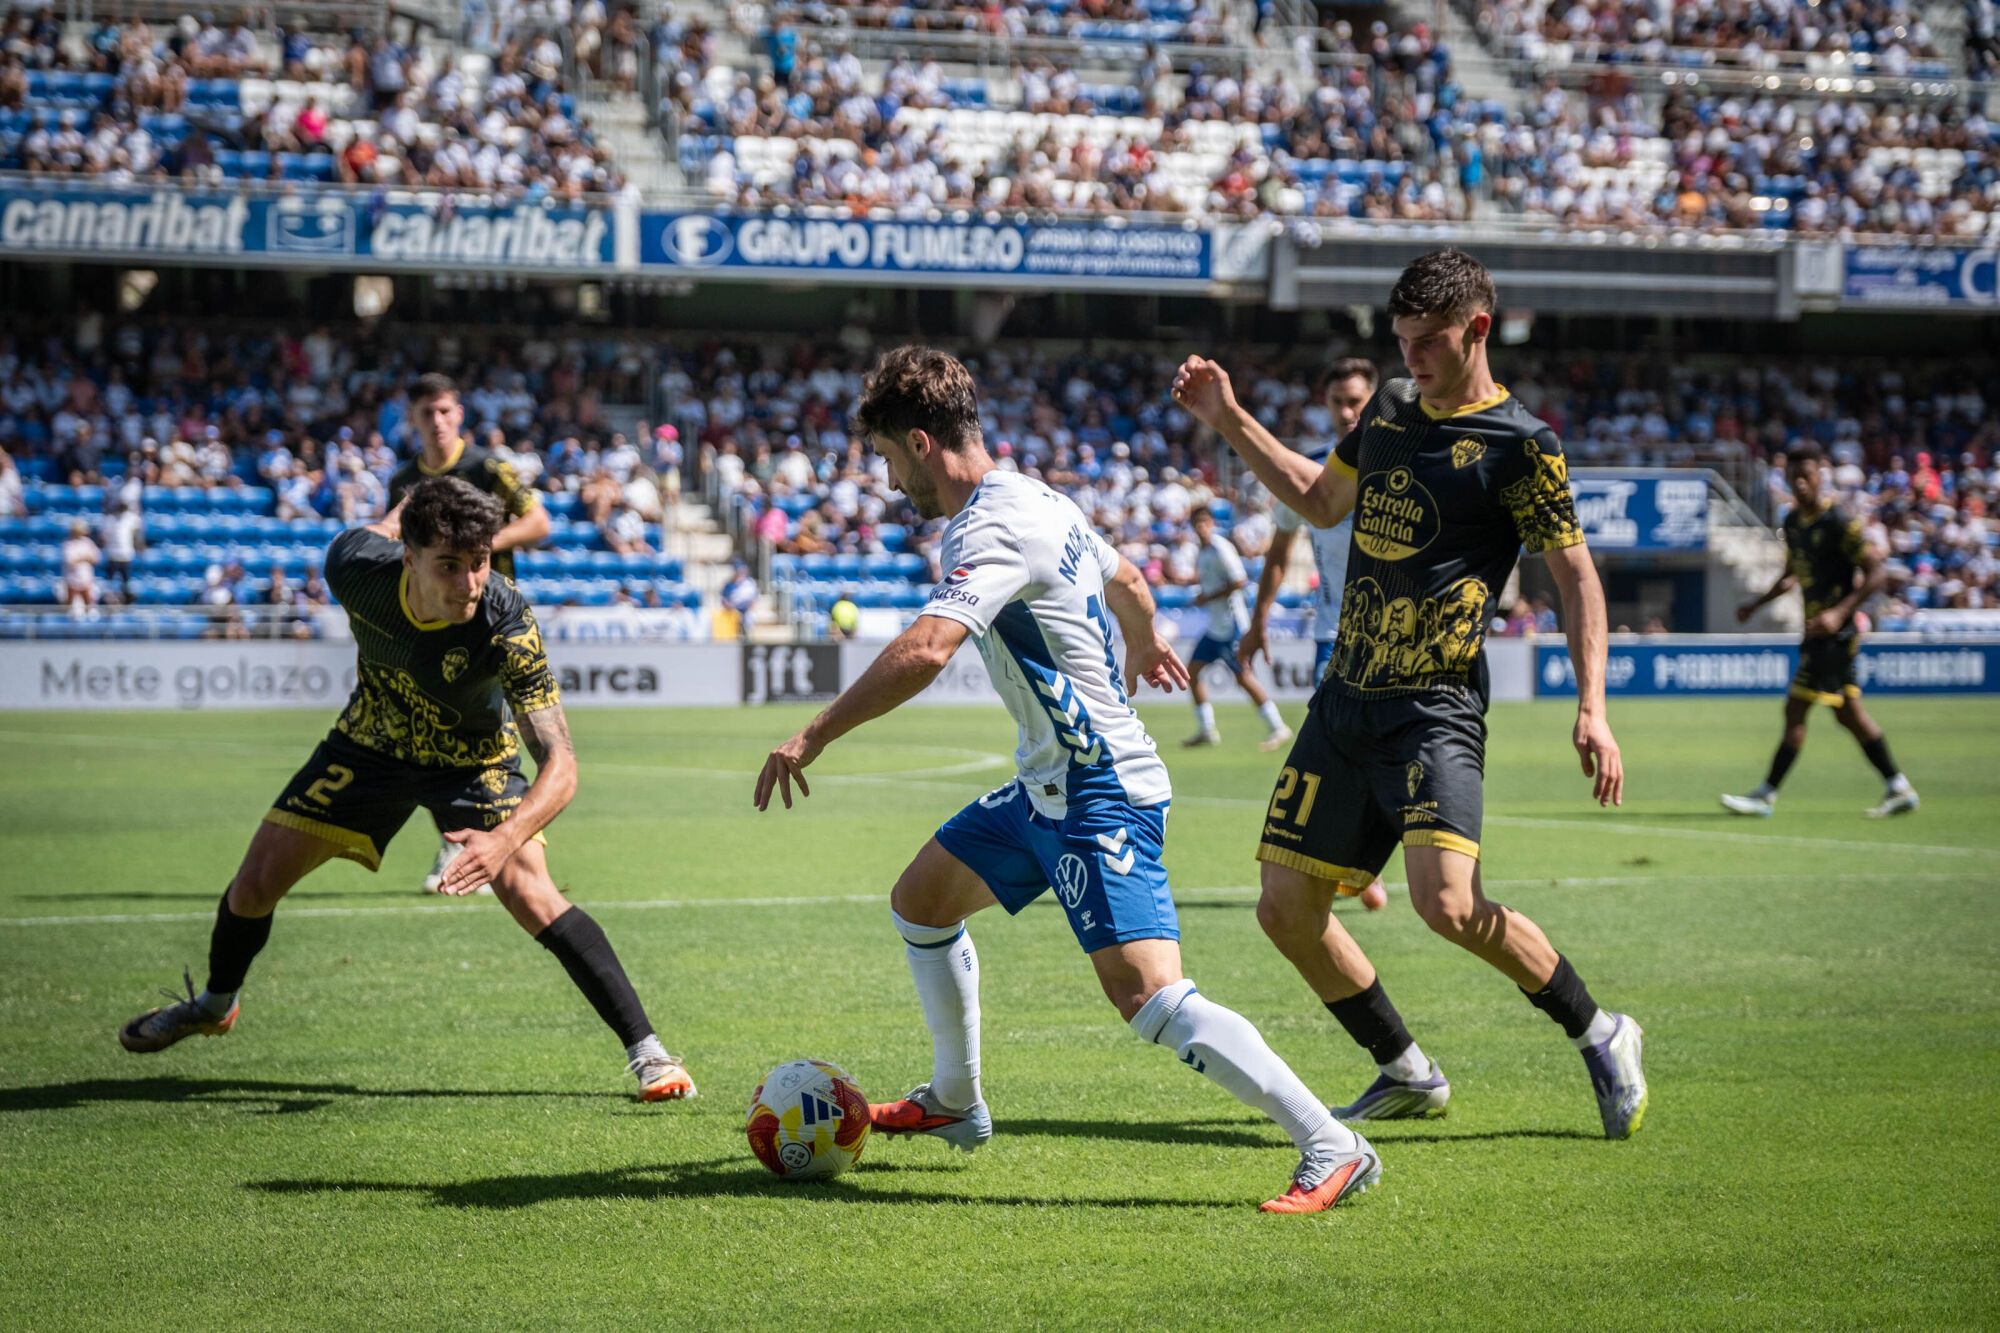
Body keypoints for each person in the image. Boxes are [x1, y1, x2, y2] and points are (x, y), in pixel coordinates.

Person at [755, 347, 1382, 1214]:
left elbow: (929, 648)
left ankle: (1331, 1142)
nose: (893, 482)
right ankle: (955, 1101)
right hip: (1048, 784)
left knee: (1149, 994)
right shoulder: (1039, 497)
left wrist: (813, 733)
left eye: (892, 461)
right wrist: (1144, 638)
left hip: (1101, 788)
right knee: (921, 901)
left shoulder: (987, 526)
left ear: (923, 441)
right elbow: (1124, 576)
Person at [1172, 248, 1646, 1139]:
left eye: (1429, 342)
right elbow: (1319, 501)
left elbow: (1576, 579)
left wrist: (1594, 707)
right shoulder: (1389, 408)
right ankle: (1405, 1069)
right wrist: (1229, 416)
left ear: (1478, 329)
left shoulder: (1523, 446)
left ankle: (1600, 1028)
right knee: (1285, 907)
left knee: (1448, 904)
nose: (1413, 360)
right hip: (1345, 700)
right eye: (1401, 341)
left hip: (1434, 706)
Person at [117, 478, 695, 1104]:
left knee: (531, 890)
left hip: (474, 762)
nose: (470, 582)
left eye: (478, 563)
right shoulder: (354, 566)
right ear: (409, 558)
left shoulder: (506, 618)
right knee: (254, 884)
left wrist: (503, 840)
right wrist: (411, 502)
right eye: (449, 565)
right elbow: (383, 525)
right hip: (370, 744)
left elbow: (563, 763)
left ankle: (651, 1055)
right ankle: (213, 1004)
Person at [387, 374, 551, 895]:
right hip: (430, 625)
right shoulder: (402, 481)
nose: (436, 421)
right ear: (412, 419)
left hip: (489, 622)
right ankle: (471, 843)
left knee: (488, 734)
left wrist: (476, 546)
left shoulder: (487, 467)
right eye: (425, 412)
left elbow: (539, 522)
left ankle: (490, 846)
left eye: (444, 410)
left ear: (459, 413)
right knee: (432, 736)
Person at [1241, 358, 1387, 912]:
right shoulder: (1308, 476)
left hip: (1398, 642)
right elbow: (1278, 553)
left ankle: (1357, 860)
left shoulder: (1405, 467)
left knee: (1376, 755)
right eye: (1339, 403)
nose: (1349, 412)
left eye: (1358, 401)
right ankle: (1349, 863)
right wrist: (1258, 622)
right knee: (1337, 752)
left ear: (1376, 401)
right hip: (1334, 637)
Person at [1721, 443, 1918, 819]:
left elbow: (1877, 573)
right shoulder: (1793, 523)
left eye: (1806, 475)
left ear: (1820, 476)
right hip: (1816, 633)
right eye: (1793, 476)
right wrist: (1756, 604)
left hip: (1836, 634)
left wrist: (1838, 613)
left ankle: (1765, 794)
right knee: (1848, 714)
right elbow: (1790, 575)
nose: (1800, 482)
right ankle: (1898, 786)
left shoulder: (1840, 523)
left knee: (1796, 709)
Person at [1181, 505, 1292, 750]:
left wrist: (1206, 597)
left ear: (1211, 523)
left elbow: (1240, 580)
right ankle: (1207, 729)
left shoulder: (1221, 547)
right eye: (1196, 522)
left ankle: (1278, 726)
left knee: (1243, 677)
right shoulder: (1204, 552)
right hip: (1215, 627)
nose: (1201, 526)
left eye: (1204, 521)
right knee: (1193, 671)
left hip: (1232, 626)